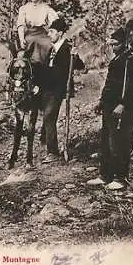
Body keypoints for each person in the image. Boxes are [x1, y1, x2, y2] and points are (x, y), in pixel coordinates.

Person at [87, 27, 133, 190]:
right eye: (111, 45)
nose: (113, 48)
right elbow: (109, 85)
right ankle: (105, 175)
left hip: (121, 107)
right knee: (105, 140)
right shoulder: (117, 60)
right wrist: (101, 102)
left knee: (119, 142)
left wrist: (123, 104)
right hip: (109, 106)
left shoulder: (131, 61)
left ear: (125, 43)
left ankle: (120, 178)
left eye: (116, 44)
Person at [40, 18, 85, 163]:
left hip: (59, 89)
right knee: (47, 118)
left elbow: (79, 66)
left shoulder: (67, 48)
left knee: (48, 116)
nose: (49, 34)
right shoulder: (52, 49)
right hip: (47, 88)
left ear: (60, 33)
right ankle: (50, 149)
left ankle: (52, 152)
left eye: (52, 32)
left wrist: (75, 55)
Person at [16, 0, 59, 66]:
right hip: (29, 34)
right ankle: (32, 64)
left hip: (42, 34)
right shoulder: (25, 8)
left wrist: (53, 33)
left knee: (48, 43)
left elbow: (54, 23)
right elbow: (21, 24)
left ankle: (44, 66)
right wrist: (21, 39)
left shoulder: (46, 8)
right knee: (34, 42)